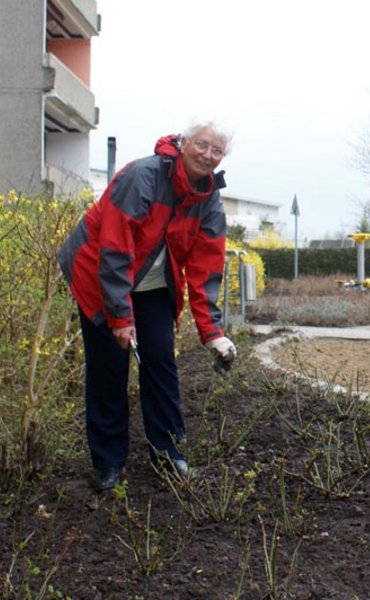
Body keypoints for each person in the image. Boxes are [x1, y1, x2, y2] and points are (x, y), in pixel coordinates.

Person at [58, 122, 237, 491]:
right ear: (184, 143)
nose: (207, 154)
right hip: (99, 274)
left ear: (223, 158)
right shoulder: (142, 177)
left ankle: (169, 454)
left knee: (160, 362)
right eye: (201, 144)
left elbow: (205, 268)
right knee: (109, 366)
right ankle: (108, 464)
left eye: (216, 150)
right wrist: (120, 318)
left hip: (152, 285)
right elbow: (115, 248)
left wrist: (212, 333)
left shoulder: (208, 199)